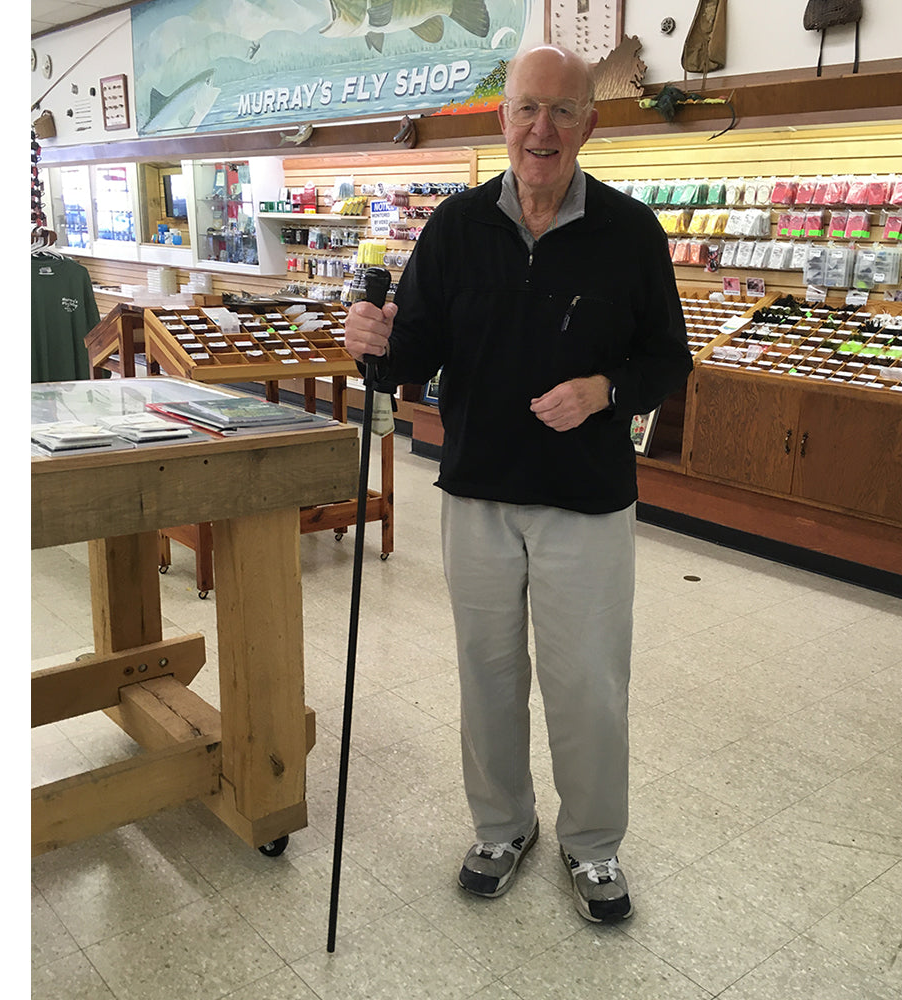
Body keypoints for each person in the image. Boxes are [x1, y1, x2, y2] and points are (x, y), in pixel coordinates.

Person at [345, 44, 692, 923]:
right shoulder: (457, 229)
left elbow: (667, 360)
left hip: (587, 503)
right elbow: (413, 359)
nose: (542, 128)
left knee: (588, 683)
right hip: (479, 496)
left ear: (589, 123)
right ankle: (503, 826)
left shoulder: (630, 232)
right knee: (487, 675)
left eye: (562, 111)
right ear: (502, 120)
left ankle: (594, 846)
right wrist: (373, 343)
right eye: (526, 109)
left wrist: (605, 391)